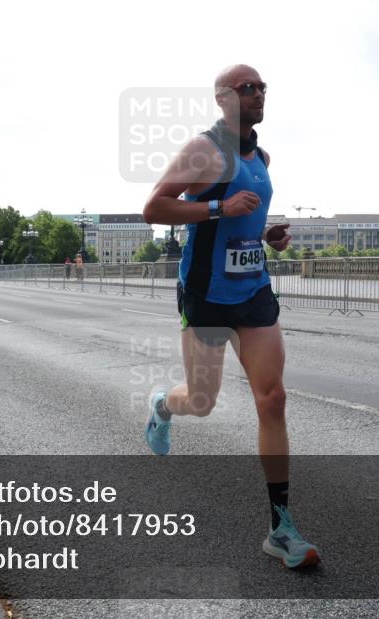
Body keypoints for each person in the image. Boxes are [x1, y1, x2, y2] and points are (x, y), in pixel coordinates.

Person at [141, 64, 319, 569]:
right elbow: (154, 208)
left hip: (253, 289)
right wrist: (220, 207)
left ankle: (280, 528)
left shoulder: (261, 157)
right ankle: (162, 405)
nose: (258, 93)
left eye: (262, 87)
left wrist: (268, 236)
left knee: (273, 397)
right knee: (201, 400)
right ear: (222, 98)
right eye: (248, 87)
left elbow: (246, 219)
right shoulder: (203, 151)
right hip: (207, 293)